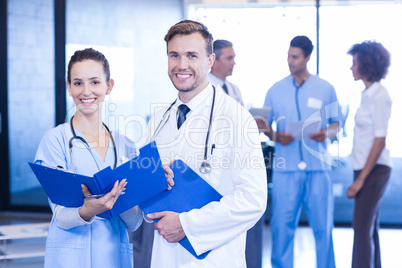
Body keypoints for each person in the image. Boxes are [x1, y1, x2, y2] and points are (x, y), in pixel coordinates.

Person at [143, 20, 267, 268]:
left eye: (192, 55)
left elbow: (253, 200)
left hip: (215, 259)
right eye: (174, 55)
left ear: (209, 61)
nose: (182, 65)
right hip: (165, 256)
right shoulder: (158, 120)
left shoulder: (236, 118)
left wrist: (186, 225)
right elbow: (146, 197)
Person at [34, 48, 143, 267]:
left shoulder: (126, 146)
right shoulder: (55, 140)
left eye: (94, 82)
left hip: (114, 256)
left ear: (108, 86)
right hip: (69, 256)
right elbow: (61, 216)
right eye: (77, 83)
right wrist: (87, 210)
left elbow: (135, 222)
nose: (86, 91)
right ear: (69, 87)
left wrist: (118, 200)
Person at [257, 35, 340, 268]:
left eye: (294, 57)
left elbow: (336, 123)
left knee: (323, 227)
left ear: (307, 58)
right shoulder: (275, 89)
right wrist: (274, 136)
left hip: (319, 169)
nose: (289, 61)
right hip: (286, 169)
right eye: (288, 56)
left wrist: (327, 133)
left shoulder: (326, 88)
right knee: (282, 227)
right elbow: (263, 124)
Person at [346, 41, 392, 268]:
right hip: (364, 169)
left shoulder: (380, 96)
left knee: (361, 226)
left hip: (374, 171)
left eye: (354, 63)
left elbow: (380, 140)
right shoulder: (367, 95)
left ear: (366, 64)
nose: (351, 68)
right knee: (369, 226)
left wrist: (361, 180)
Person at [208, 39, 244, 105]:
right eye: (229, 58)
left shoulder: (235, 89)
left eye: (233, 58)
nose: (233, 63)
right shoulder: (203, 87)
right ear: (213, 61)